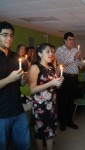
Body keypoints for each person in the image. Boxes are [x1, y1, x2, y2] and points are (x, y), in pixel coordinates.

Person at [0, 21, 30, 149]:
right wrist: (9, 79)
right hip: (1, 113)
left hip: (18, 109)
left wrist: (24, 79)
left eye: (11, 35)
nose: (9, 38)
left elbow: (22, 83)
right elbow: (11, 80)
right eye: (5, 35)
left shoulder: (16, 57)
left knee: (24, 144)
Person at [28, 43, 64, 150]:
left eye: (52, 51)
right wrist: (51, 83)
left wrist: (59, 83)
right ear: (39, 53)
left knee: (51, 131)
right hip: (40, 106)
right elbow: (32, 89)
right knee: (40, 132)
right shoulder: (35, 67)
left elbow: (55, 88)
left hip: (52, 105)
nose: (51, 54)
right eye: (47, 51)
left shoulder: (51, 68)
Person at [56, 32, 84, 131]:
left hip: (74, 78)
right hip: (65, 77)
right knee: (63, 100)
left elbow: (80, 65)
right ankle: (62, 121)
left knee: (72, 100)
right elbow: (61, 63)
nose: (72, 41)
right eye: (70, 39)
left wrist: (80, 59)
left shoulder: (75, 50)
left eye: (73, 39)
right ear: (65, 40)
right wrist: (74, 57)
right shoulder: (60, 50)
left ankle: (69, 120)